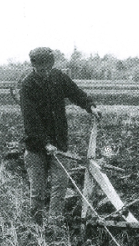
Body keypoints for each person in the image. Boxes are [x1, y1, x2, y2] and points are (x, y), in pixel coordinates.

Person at [19, 47, 101, 226]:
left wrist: (90, 106)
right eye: (41, 69)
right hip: (36, 148)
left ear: (51, 64)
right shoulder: (27, 85)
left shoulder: (58, 78)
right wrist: (45, 143)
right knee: (38, 191)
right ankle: (37, 228)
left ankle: (54, 225)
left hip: (59, 143)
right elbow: (30, 119)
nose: (45, 72)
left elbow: (76, 93)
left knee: (60, 186)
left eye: (48, 67)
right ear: (34, 66)